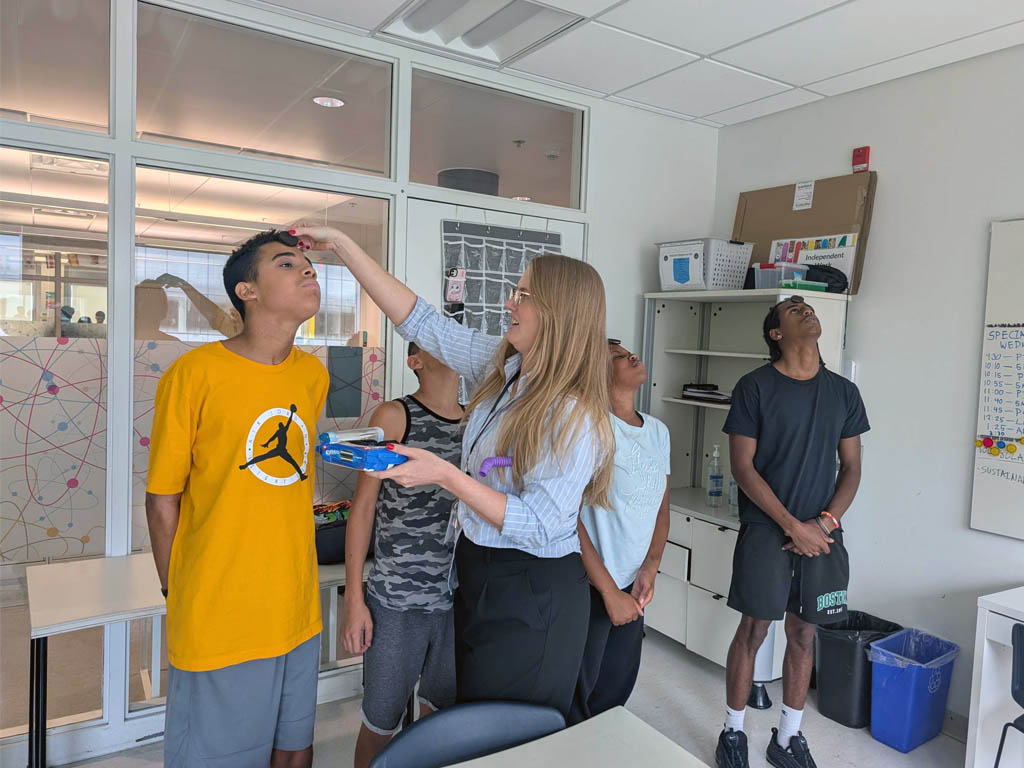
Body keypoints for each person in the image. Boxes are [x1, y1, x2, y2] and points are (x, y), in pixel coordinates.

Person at [292, 224, 614, 719]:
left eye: (523, 295)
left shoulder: (571, 412)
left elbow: (544, 523)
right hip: (478, 573)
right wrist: (342, 245)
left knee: (509, 733)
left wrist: (445, 476)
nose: (510, 303)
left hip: (532, 590)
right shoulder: (505, 368)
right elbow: (419, 320)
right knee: (473, 718)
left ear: (558, 313)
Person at [146, 230, 327, 768]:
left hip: (297, 605)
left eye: (308, 265)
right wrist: (175, 591)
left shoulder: (312, 376)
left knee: (294, 754)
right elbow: (162, 501)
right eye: (287, 263)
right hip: (221, 610)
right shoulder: (194, 375)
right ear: (247, 291)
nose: (308, 272)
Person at [716, 296, 869, 768]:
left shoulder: (843, 392)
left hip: (822, 534)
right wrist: (790, 526)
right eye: (793, 308)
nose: (805, 309)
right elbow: (742, 468)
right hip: (767, 530)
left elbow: (852, 466)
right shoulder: (754, 387)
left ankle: (787, 738)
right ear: (775, 334)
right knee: (755, 629)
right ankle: (733, 733)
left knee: (805, 635)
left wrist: (822, 524)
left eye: (808, 305)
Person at [344, 341, 463, 768]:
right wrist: (354, 599)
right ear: (416, 361)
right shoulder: (395, 416)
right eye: (440, 342)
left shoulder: (477, 420)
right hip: (395, 601)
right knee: (380, 722)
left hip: (454, 602)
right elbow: (362, 508)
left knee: (438, 718)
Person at [570, 340, 670, 724]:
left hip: (633, 583)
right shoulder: (588, 428)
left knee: (615, 690)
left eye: (628, 350)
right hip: (590, 584)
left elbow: (661, 506)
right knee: (578, 694)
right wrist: (609, 591)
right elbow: (568, 517)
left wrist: (650, 567)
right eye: (616, 356)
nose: (631, 355)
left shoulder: (658, 431)